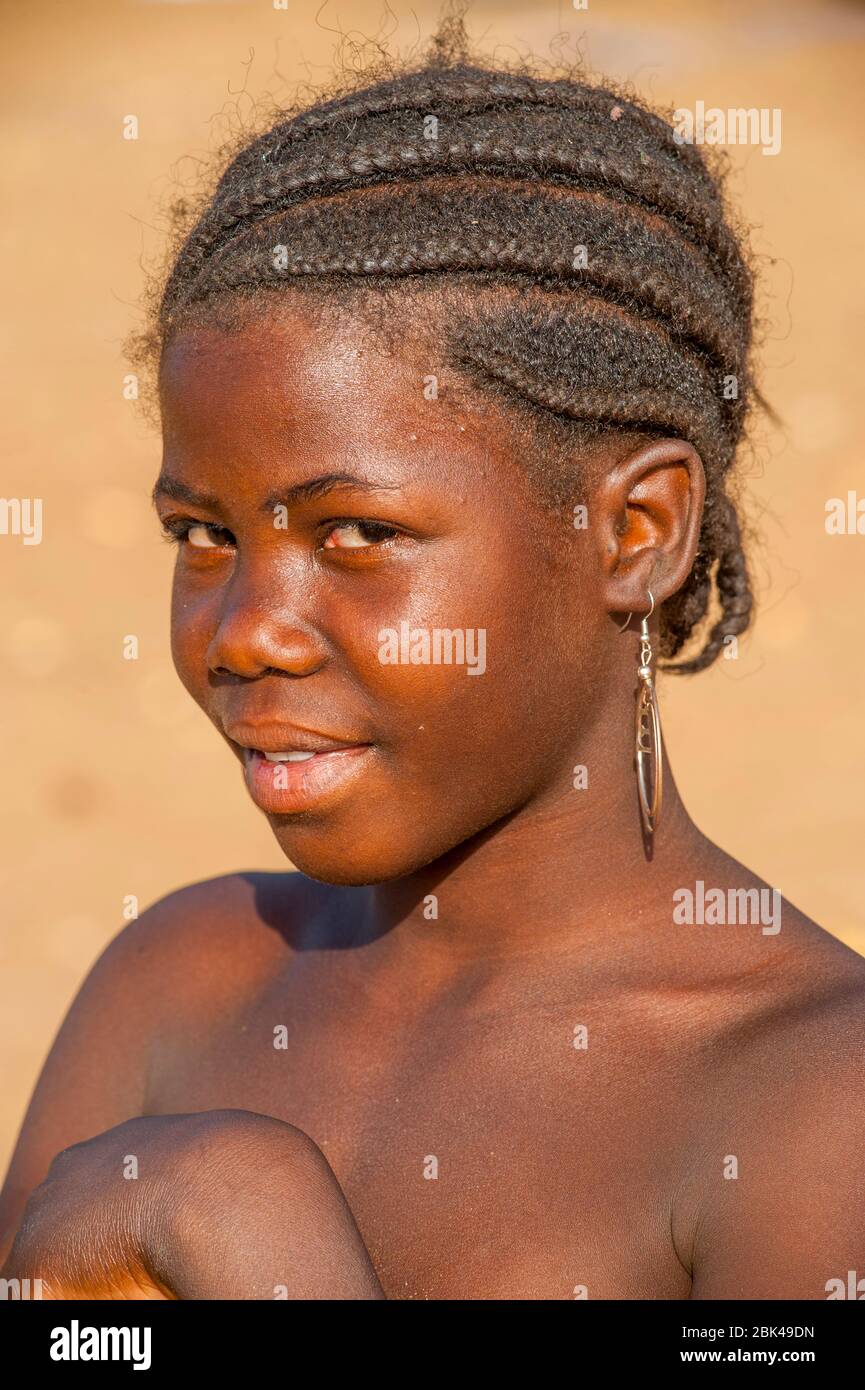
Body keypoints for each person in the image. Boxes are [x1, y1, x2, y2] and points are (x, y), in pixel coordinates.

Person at [2, 21, 864, 1300]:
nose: (244, 628)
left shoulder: (808, 1111)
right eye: (204, 534)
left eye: (358, 532)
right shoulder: (180, 985)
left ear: (634, 533)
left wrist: (263, 1243)